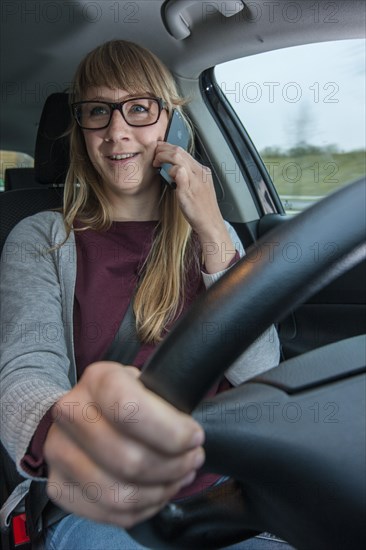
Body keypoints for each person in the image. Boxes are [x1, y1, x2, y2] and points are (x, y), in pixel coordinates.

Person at [0, 40, 281, 549]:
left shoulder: (214, 235)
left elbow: (260, 371)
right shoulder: (42, 239)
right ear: (80, 128)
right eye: (97, 112)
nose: (116, 131)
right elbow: (25, 370)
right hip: (105, 497)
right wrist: (73, 438)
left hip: (223, 486)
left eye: (138, 108)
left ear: (171, 122)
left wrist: (214, 235)